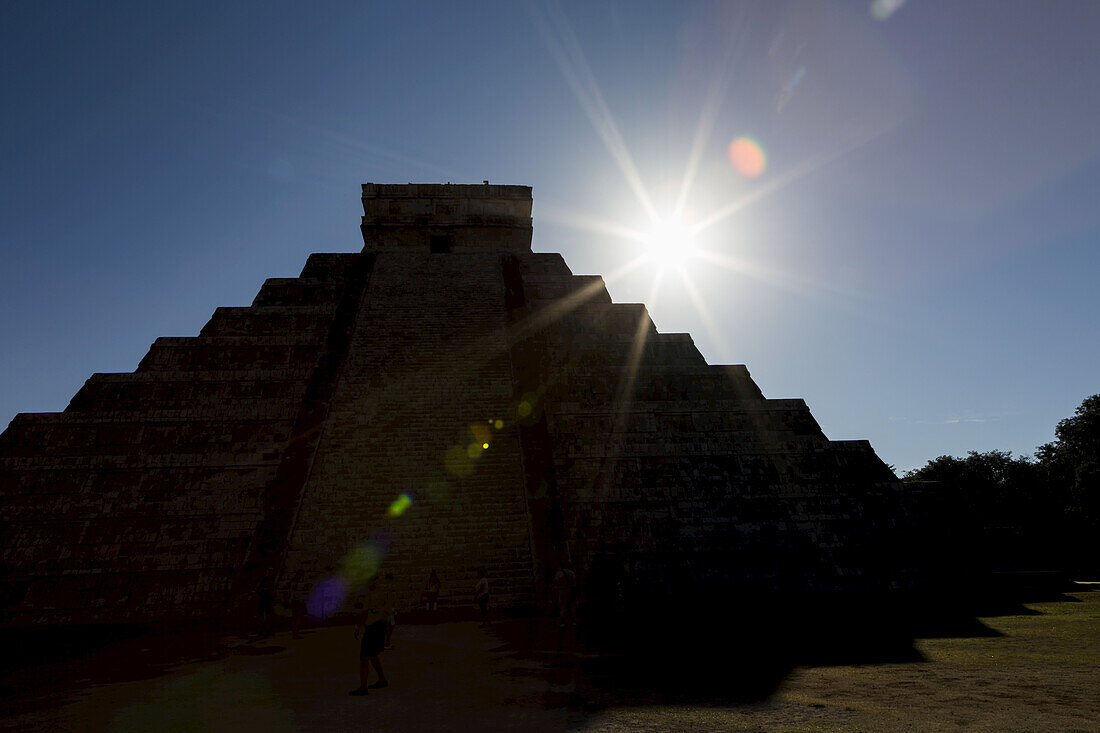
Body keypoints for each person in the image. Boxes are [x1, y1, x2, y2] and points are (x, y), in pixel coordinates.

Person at [349, 579, 389, 696]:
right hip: (380, 625)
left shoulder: (367, 594)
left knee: (364, 657)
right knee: (372, 654)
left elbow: (363, 612)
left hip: (373, 627)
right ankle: (382, 679)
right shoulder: (380, 592)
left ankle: (363, 686)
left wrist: (357, 627)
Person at [256, 568, 275, 637]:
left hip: (268, 599)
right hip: (262, 599)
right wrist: (267, 589)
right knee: (261, 616)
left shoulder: (272, 580)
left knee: (268, 615)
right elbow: (257, 588)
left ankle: (267, 630)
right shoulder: (263, 579)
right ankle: (261, 630)